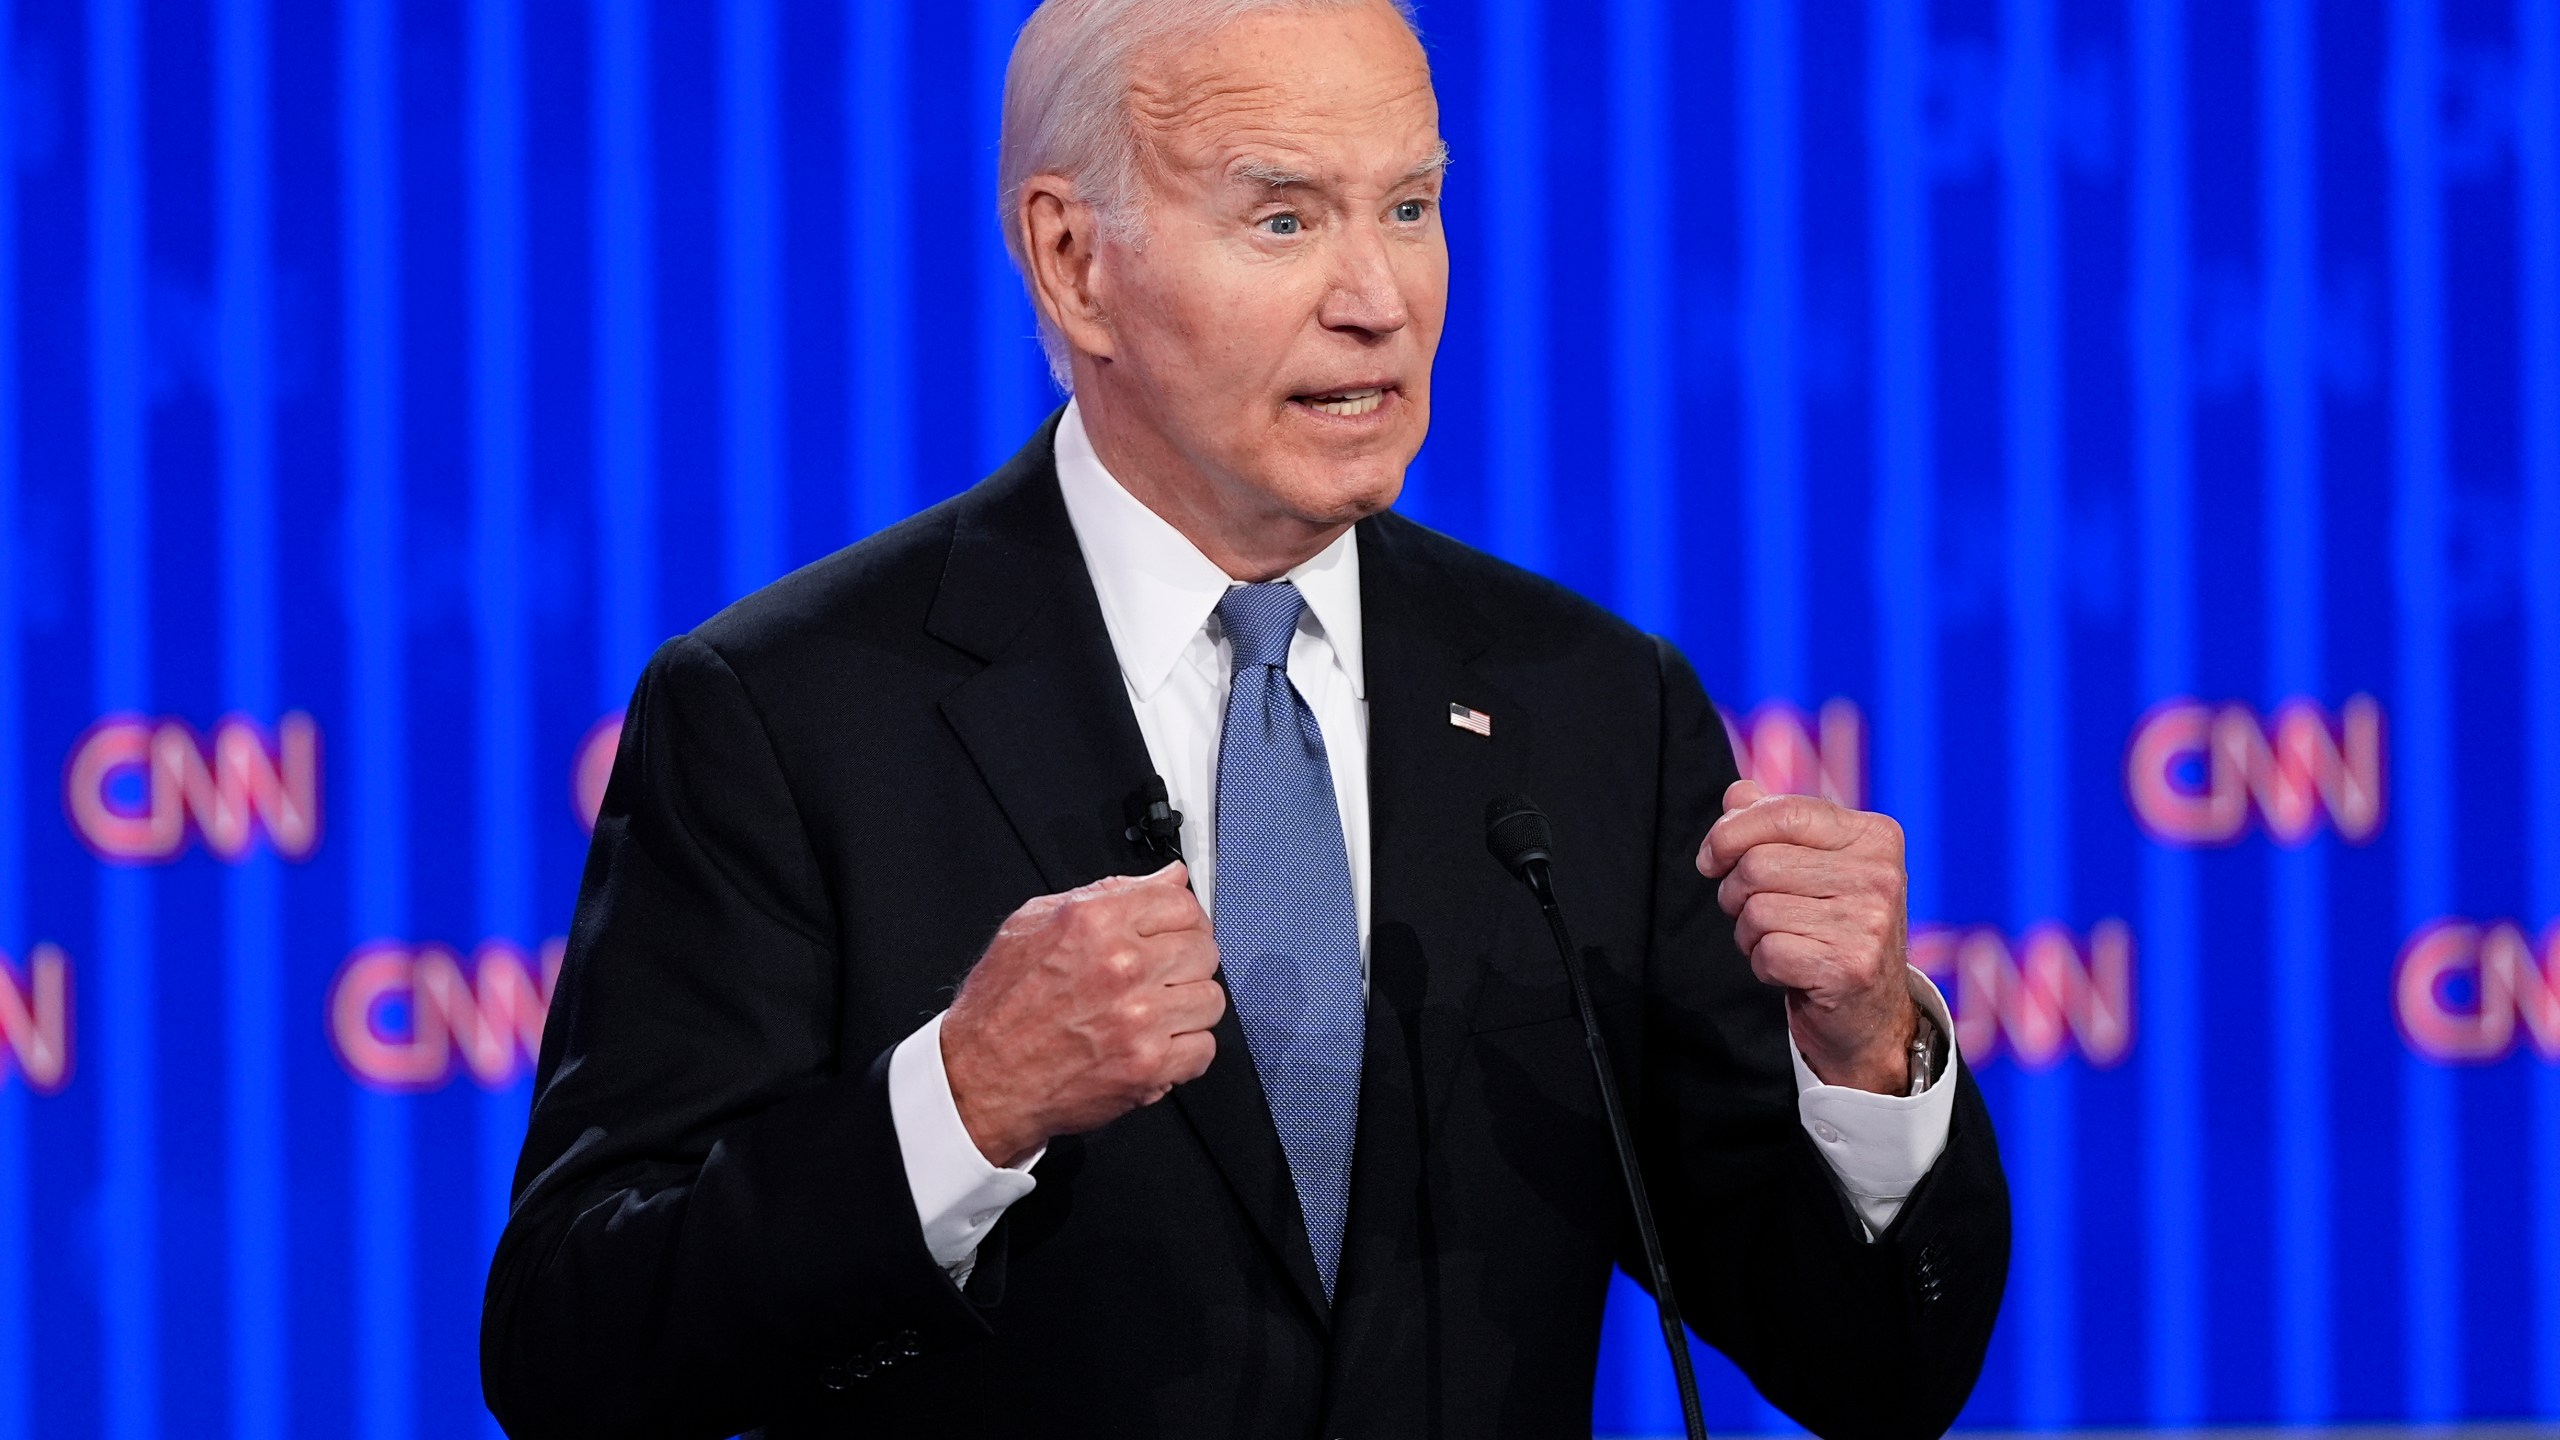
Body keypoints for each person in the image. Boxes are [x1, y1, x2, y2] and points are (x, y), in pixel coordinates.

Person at [480, 1, 2008, 1435]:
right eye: (1285, 218)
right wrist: (959, 1106)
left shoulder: (1593, 706)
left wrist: (1870, 1054)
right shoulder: (789, 714)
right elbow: (575, 1347)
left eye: (1409, 207)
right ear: (1075, 263)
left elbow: (1877, 1372)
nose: (1378, 299)